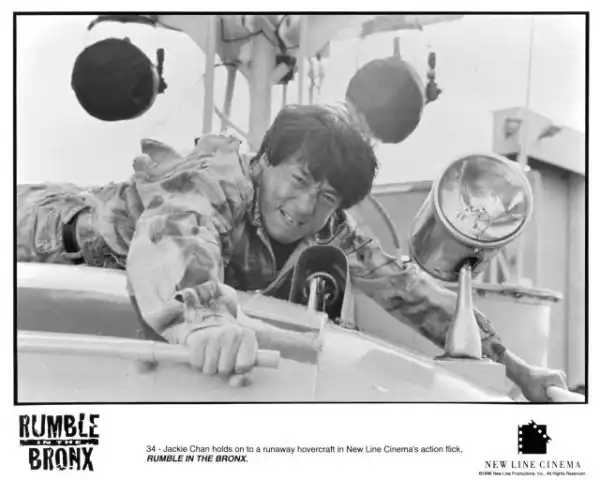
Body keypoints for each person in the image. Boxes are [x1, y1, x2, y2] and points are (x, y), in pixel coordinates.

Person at [17, 104, 567, 401]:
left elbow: (403, 287)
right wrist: (206, 321)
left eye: (327, 197)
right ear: (265, 162)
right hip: (45, 231)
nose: (305, 207)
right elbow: (181, 229)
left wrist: (515, 367)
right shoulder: (220, 177)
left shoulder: (329, 229)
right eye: (300, 181)